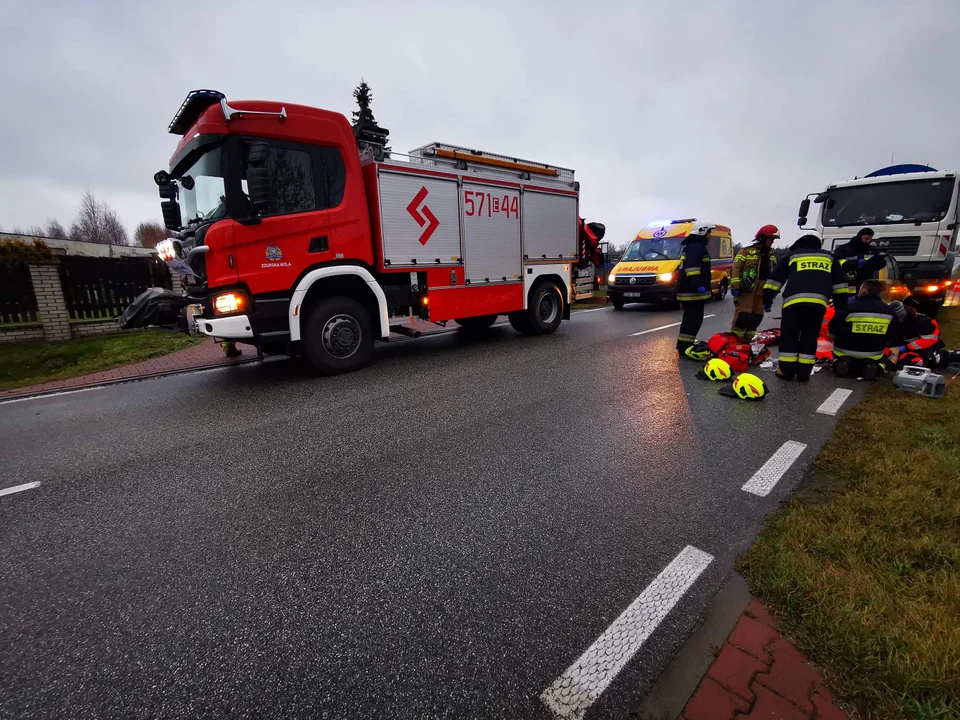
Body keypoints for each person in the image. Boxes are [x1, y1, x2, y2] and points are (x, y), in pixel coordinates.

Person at [762, 234, 850, 382]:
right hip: (817, 305)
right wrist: (841, 307)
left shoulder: (793, 256)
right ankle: (803, 373)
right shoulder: (829, 257)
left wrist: (767, 300)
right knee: (809, 337)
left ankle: (787, 371)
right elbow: (840, 284)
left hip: (793, 304)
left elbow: (775, 279)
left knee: (789, 336)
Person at [829, 280, 899, 379]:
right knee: (882, 360)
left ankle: (840, 362)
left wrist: (836, 338)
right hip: (873, 352)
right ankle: (876, 366)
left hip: (844, 349)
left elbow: (833, 328)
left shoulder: (847, 306)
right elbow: (893, 335)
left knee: (840, 355)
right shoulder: (889, 311)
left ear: (863, 291)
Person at [730, 224, 778, 341]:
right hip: (747, 288)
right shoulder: (745, 252)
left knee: (757, 317)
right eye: (770, 239)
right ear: (762, 238)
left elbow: (775, 273)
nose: (772, 242)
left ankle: (747, 342)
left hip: (763, 288)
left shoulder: (771, 255)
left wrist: (771, 294)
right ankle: (735, 341)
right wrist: (735, 286)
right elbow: (736, 268)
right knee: (743, 316)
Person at [676, 222, 715, 355]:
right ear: (702, 232)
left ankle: (684, 344)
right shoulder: (696, 246)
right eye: (709, 232)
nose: (710, 235)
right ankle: (685, 346)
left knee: (690, 319)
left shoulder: (691, 246)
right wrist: (698, 285)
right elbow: (692, 268)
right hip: (692, 291)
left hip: (689, 290)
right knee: (693, 319)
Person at [885, 297, 944, 367]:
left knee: (929, 360)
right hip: (901, 347)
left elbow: (930, 340)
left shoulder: (923, 321)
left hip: (924, 347)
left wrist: (906, 347)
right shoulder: (890, 323)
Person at [833, 227, 886, 293]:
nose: (868, 241)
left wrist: (881, 261)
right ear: (860, 237)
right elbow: (838, 263)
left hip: (866, 287)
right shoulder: (843, 249)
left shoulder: (871, 250)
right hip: (849, 284)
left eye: (870, 239)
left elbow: (877, 267)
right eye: (866, 238)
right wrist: (856, 262)